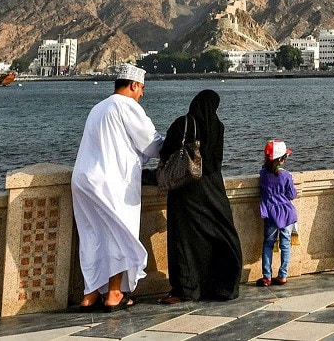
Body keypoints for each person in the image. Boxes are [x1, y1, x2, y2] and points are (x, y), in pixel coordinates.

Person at [71, 64, 164, 312]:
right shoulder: (127, 106)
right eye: (141, 88)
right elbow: (150, 143)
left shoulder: (98, 107)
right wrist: (174, 144)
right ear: (133, 85)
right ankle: (113, 293)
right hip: (111, 182)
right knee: (119, 235)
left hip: (83, 179)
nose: (142, 94)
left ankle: (90, 294)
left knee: (92, 236)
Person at [158, 90, 243, 304]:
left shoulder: (183, 123)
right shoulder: (218, 126)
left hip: (186, 187)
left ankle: (186, 289)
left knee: (184, 239)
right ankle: (222, 285)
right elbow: (216, 159)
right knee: (220, 232)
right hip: (213, 187)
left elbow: (166, 152)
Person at [258, 139, 297, 286]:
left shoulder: (263, 174)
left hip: (270, 213)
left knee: (268, 244)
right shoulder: (286, 175)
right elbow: (292, 194)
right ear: (282, 159)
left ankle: (267, 277)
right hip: (286, 213)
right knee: (285, 244)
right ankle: (282, 275)